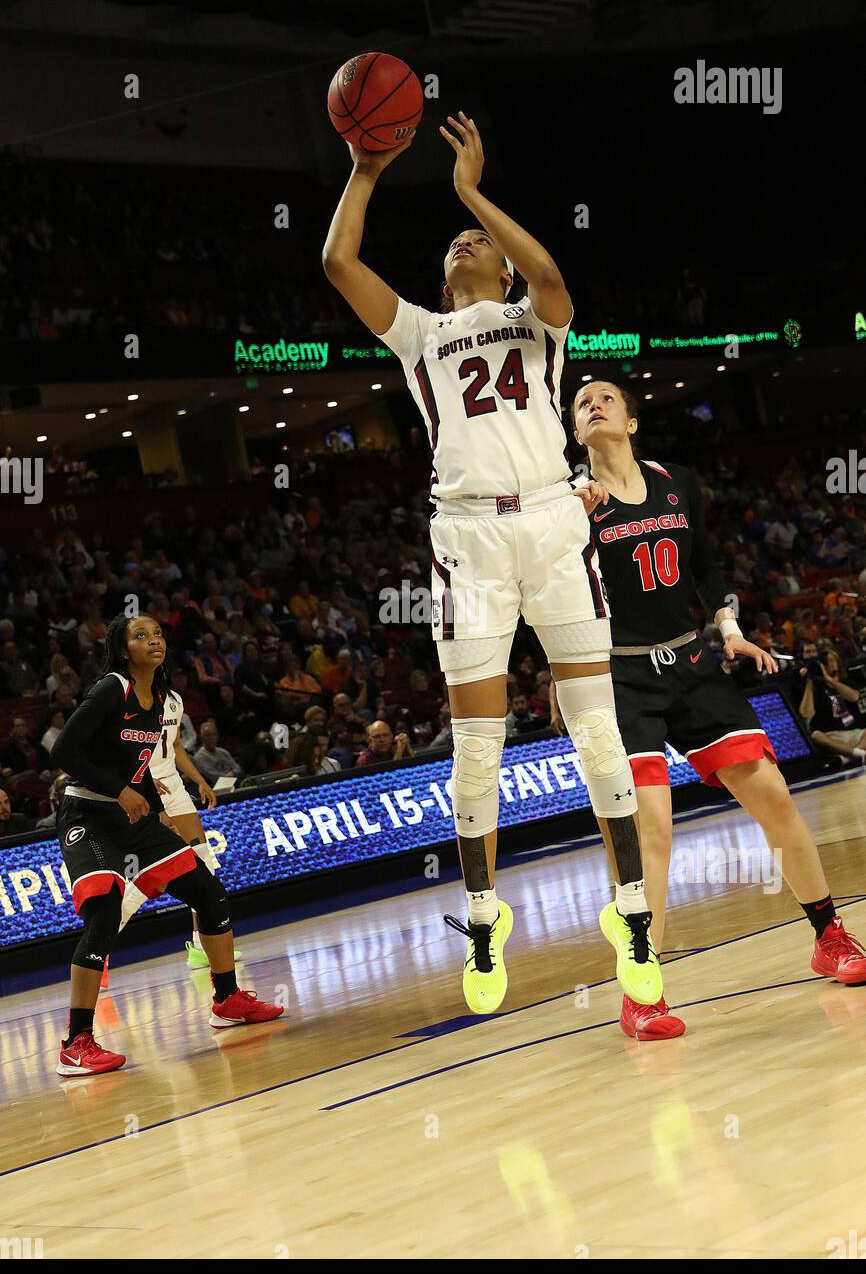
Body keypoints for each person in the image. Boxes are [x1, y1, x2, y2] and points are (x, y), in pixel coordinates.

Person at [323, 109, 659, 1016]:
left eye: (478, 238)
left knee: (596, 734)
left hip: (552, 523)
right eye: (455, 238)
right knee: (479, 749)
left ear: (501, 268)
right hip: (467, 540)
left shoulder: (533, 316)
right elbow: (338, 266)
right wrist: (364, 169)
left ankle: (631, 912)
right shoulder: (422, 334)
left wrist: (473, 189)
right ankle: (482, 916)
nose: (464, 241)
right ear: (442, 275)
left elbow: (551, 273)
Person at [553, 380, 866, 1040]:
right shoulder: (565, 505)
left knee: (775, 796)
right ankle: (642, 992)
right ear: (576, 431)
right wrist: (563, 673)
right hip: (619, 678)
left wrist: (727, 627)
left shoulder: (677, 482)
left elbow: (705, 568)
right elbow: (550, 601)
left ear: (632, 421)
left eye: (607, 397)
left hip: (690, 663)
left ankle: (829, 935)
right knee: (651, 832)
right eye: (582, 403)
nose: (595, 405)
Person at [50, 615, 282, 1076]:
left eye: (157, 634)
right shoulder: (110, 689)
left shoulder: (160, 698)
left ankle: (227, 998)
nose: (153, 641)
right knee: (104, 915)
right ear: (122, 650)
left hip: (134, 814)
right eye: (141, 636)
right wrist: (120, 791)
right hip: (89, 814)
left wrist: (159, 815)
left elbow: (141, 765)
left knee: (208, 891)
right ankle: (77, 1043)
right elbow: (63, 752)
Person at [103, 681, 243, 979]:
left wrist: (199, 780)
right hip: (144, 789)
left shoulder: (175, 700)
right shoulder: (130, 700)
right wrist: (143, 785)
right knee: (151, 878)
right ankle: (98, 950)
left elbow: (176, 747)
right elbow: (120, 752)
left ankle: (199, 944)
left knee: (202, 860)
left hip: (175, 787)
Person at [798, 644, 866, 764]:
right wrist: (809, 683)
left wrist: (830, 680)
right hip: (832, 736)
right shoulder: (815, 688)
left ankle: (849, 757)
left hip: (854, 732)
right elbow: (806, 714)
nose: (831, 663)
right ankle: (857, 754)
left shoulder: (846, 681)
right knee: (816, 735)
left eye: (832, 660)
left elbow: (854, 697)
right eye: (826, 662)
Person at [193, 719, 242, 786]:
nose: (212, 738)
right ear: (202, 738)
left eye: (214, 734)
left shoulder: (223, 752)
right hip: (217, 787)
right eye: (208, 735)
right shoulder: (199, 757)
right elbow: (213, 778)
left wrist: (232, 773)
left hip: (234, 781)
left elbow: (238, 768)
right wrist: (231, 775)